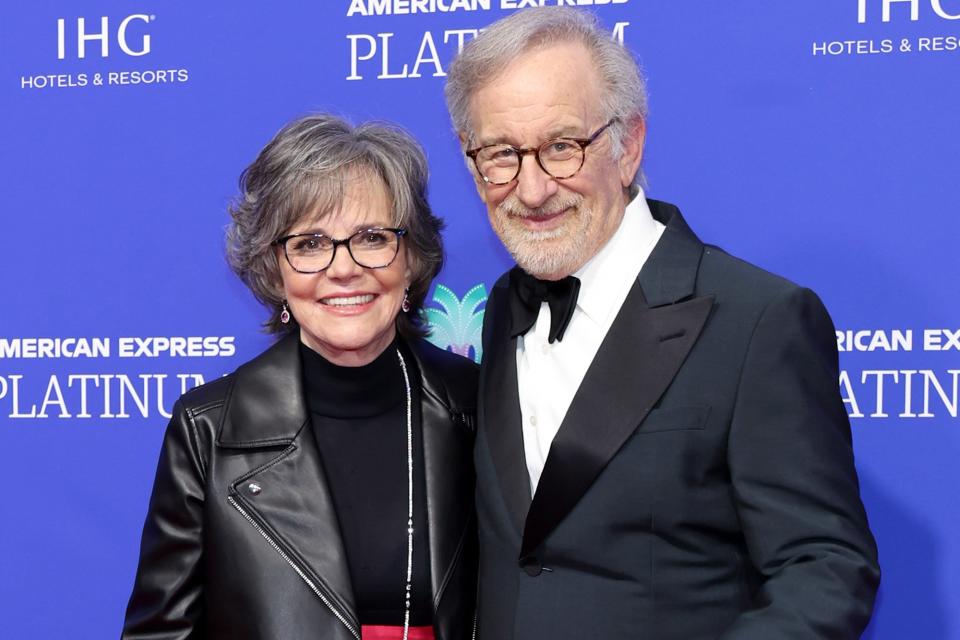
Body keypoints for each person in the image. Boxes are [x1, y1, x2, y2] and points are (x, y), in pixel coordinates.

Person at [444, 7, 879, 639]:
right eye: (500, 155)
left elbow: (825, 568)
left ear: (629, 145)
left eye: (562, 147)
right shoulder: (504, 309)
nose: (531, 190)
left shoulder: (757, 320)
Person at [122, 114, 478, 640]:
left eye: (373, 237)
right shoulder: (209, 430)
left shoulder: (480, 403)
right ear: (275, 271)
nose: (343, 268)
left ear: (411, 260)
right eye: (310, 243)